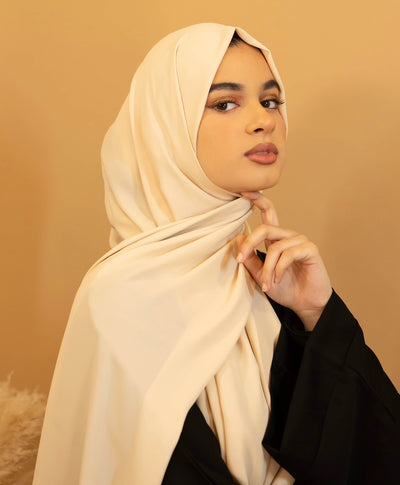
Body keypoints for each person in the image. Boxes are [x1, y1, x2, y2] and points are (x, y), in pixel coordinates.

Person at [33, 23, 400, 485]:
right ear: (167, 128)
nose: (264, 120)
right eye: (225, 103)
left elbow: (377, 455)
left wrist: (315, 314)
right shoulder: (120, 296)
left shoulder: (264, 276)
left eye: (271, 101)